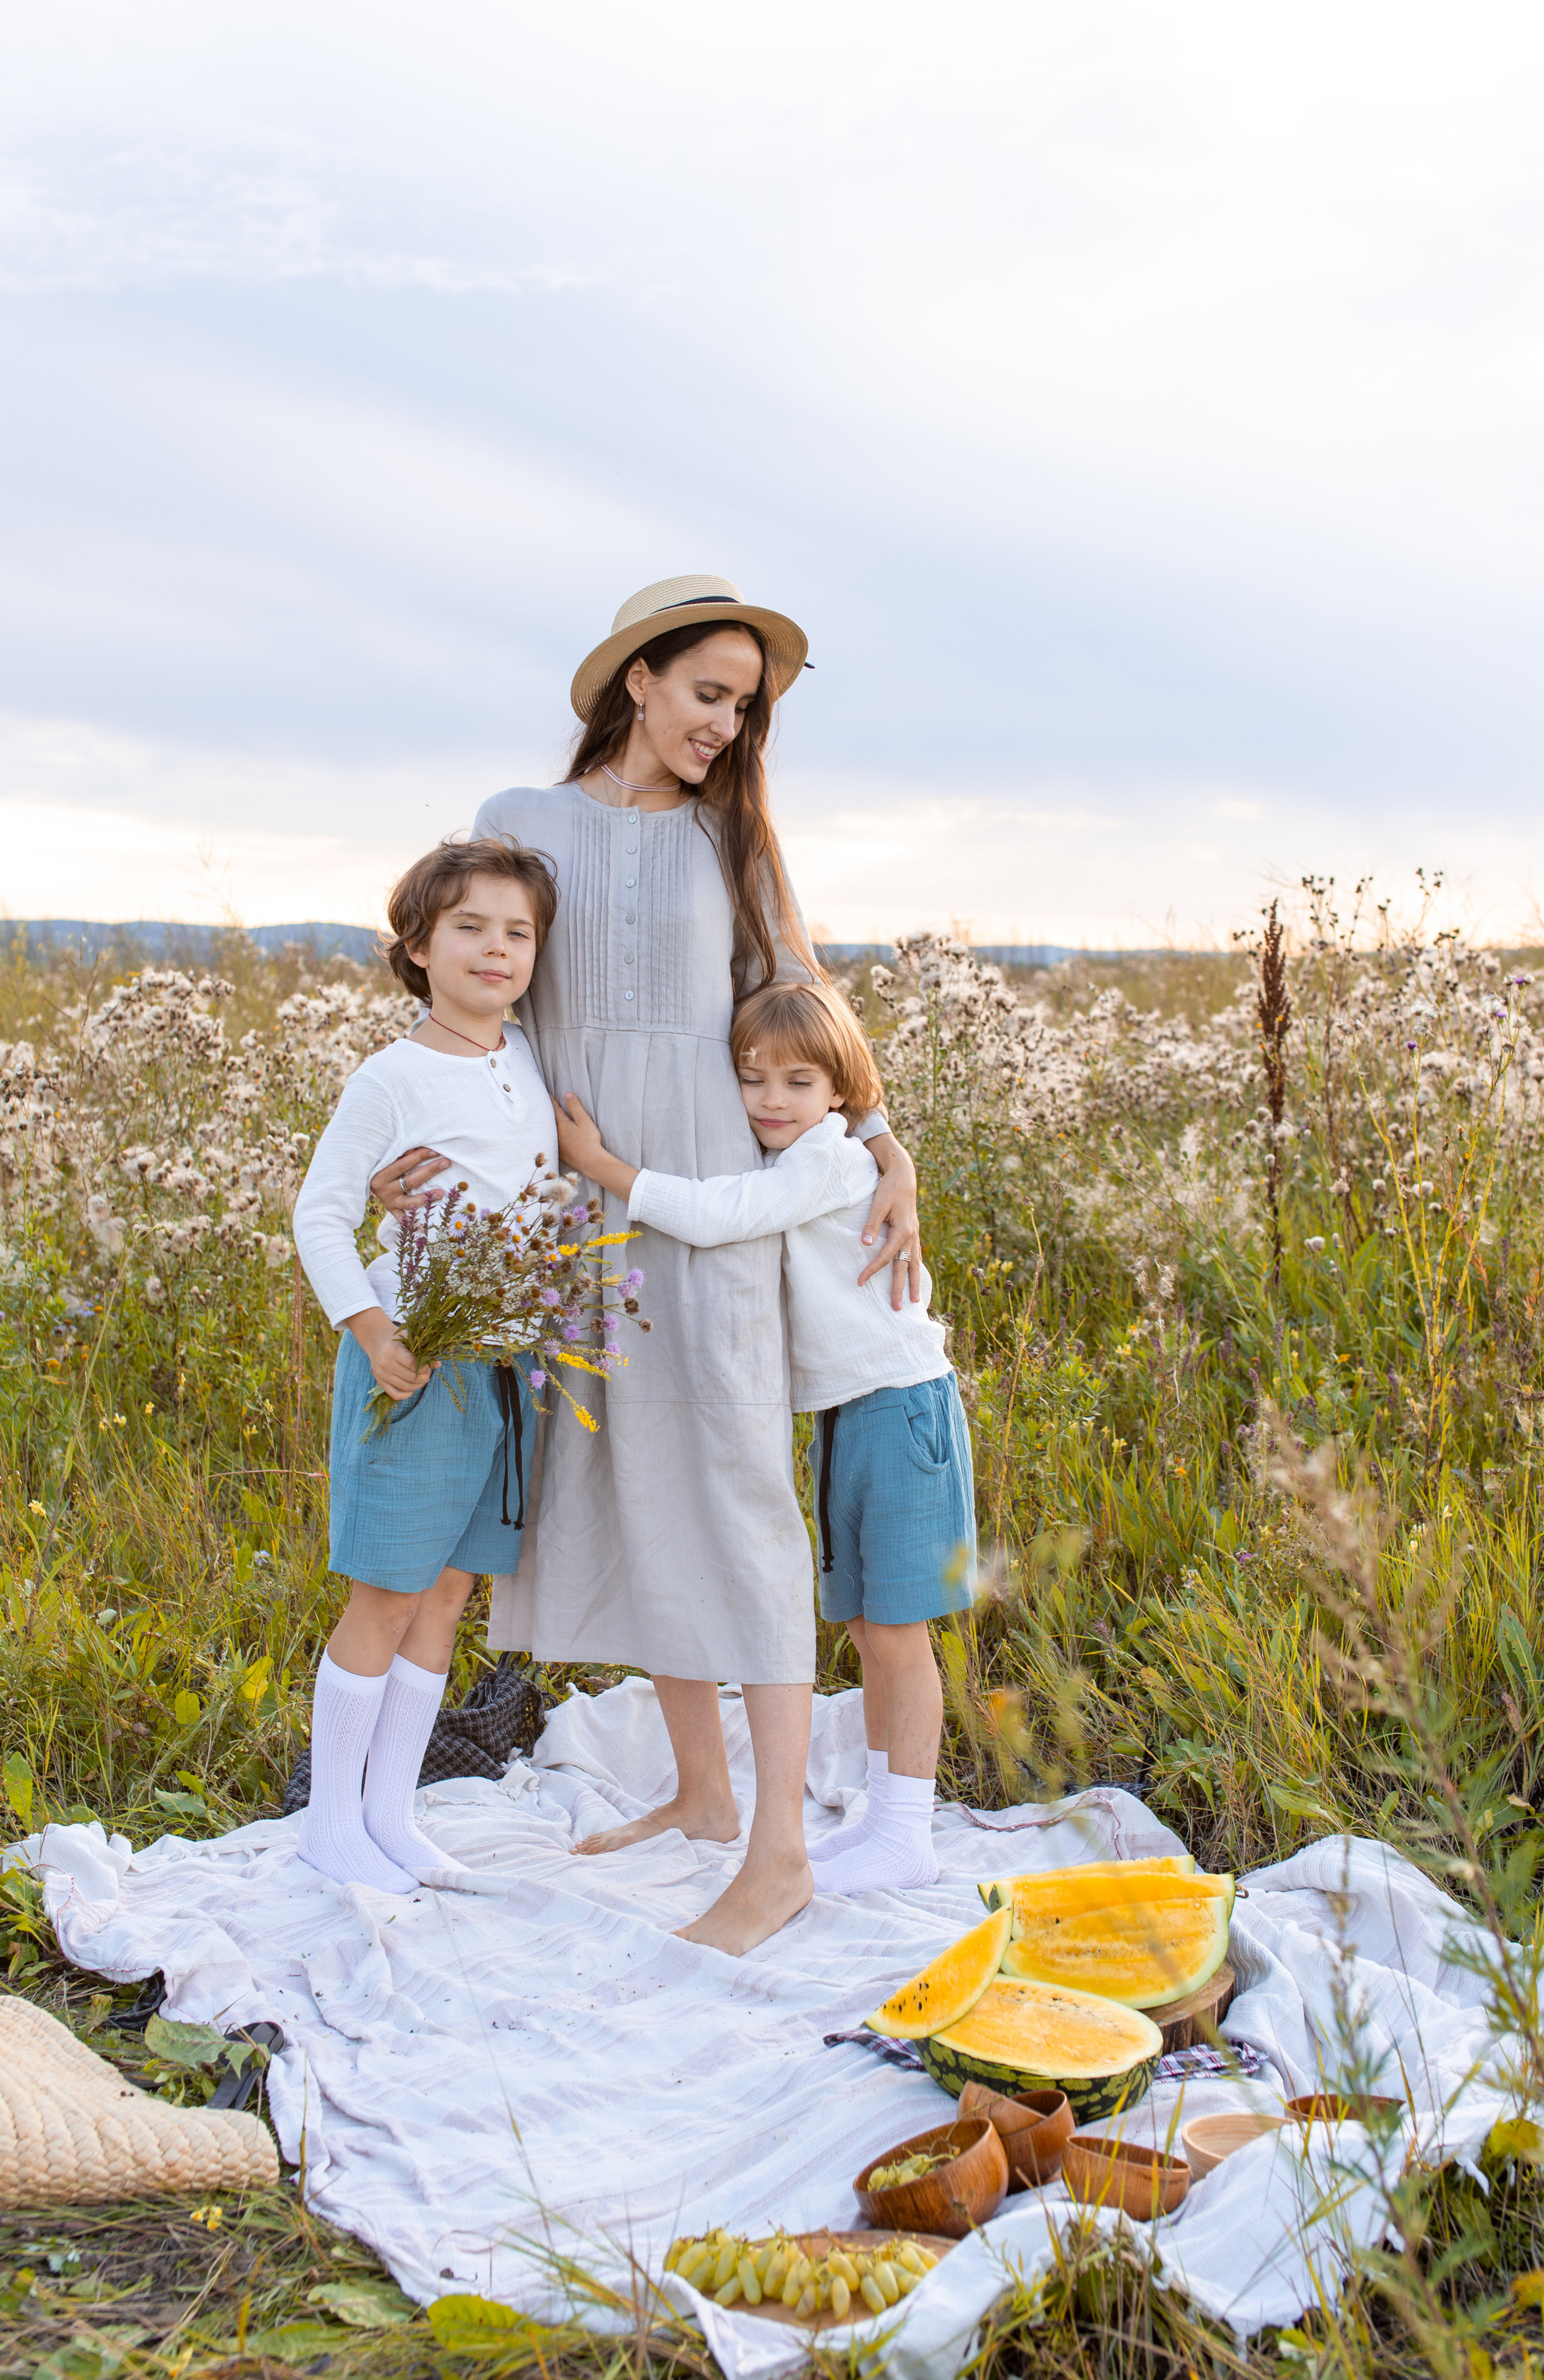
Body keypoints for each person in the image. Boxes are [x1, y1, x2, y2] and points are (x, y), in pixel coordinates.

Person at [369, 574, 923, 1954]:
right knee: (631, 1484)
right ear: (638, 680)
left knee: (735, 1498)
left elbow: (802, 998)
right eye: (707, 693)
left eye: (745, 706)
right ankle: (700, 1792)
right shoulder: (522, 820)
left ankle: (779, 1855)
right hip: (564, 1209)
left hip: (705, 1201)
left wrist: (882, 1142)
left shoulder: (735, 838)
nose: (725, 725)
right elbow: (477, 995)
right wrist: (402, 1143)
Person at [555, 977, 974, 1895]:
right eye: (753, 1079)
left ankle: (906, 1831)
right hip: (849, 1410)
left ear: (841, 1092)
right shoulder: (798, 1149)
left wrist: (605, 1167)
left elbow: (722, 1217)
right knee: (865, 1625)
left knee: (897, 1632)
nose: (772, 1101)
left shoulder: (827, 1158)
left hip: (901, 1403)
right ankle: (883, 1822)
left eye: (798, 1082)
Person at [291, 835, 557, 1891]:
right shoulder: (391, 1078)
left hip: (505, 1364)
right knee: (388, 1594)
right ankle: (330, 1824)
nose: (497, 949)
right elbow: (319, 1212)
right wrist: (373, 1330)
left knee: (448, 1591)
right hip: (417, 1359)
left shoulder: (526, 1054)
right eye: (470, 927)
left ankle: (392, 1814)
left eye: (518, 932)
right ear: (417, 946)